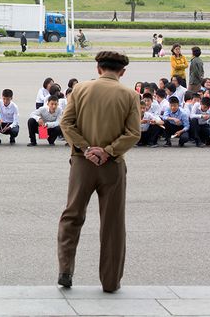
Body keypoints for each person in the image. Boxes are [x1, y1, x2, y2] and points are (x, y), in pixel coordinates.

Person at [57, 51, 140, 293]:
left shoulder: (80, 89)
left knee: (72, 216)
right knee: (113, 224)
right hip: (112, 166)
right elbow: (133, 133)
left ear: (98, 68)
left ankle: (65, 270)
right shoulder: (130, 95)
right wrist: (108, 151)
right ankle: (111, 281)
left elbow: (66, 123)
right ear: (122, 72)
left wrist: (85, 148)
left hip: (82, 164)